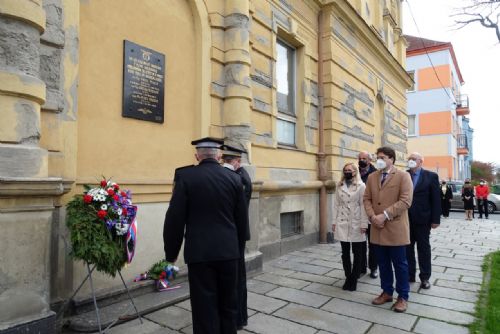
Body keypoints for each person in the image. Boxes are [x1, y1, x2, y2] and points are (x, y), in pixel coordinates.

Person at [163, 137, 248, 334]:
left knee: (203, 307)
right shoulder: (235, 179)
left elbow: (174, 219)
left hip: (199, 253)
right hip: (228, 252)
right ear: (219, 155)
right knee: (228, 305)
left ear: (197, 156)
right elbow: (242, 221)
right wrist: (238, 250)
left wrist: (171, 253)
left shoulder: (185, 177)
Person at [363, 146, 413, 313]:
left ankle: (403, 296)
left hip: (395, 227)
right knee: (383, 263)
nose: (379, 160)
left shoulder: (403, 176)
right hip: (377, 228)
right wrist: (372, 217)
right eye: (378, 157)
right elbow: (366, 199)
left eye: (382, 157)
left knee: (400, 264)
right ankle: (386, 292)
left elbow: (405, 201)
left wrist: (383, 215)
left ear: (391, 159)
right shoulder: (371, 177)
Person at [221, 143, 252, 330]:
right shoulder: (235, 176)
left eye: (227, 161)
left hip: (235, 233)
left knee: (238, 276)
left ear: (237, 162)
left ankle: (239, 317)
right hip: (231, 232)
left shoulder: (241, 178)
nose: (224, 164)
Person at [332, 162, 369, 291]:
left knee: (357, 253)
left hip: (356, 221)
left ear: (355, 172)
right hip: (342, 221)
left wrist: (364, 224)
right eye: (345, 170)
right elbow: (336, 204)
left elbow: (364, 205)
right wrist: (334, 222)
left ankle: (354, 278)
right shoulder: (339, 185)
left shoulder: (361, 186)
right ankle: (348, 276)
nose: (347, 172)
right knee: (345, 253)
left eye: (350, 170)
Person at [406, 153, 441, 290]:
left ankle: (425, 277)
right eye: (409, 159)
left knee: (423, 248)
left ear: (421, 161)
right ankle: (410, 274)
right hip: (406, 219)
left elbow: (436, 199)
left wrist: (435, 219)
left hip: (423, 219)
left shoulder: (430, 176)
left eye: (413, 159)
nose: (411, 161)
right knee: (407, 248)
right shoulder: (404, 175)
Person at [358, 151, 378, 279]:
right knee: (359, 243)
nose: (361, 160)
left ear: (369, 160)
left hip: (371, 212)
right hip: (358, 214)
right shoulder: (354, 173)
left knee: (373, 243)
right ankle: (361, 268)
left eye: (364, 158)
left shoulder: (376, 174)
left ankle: (374, 268)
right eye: (360, 158)